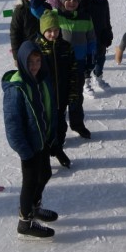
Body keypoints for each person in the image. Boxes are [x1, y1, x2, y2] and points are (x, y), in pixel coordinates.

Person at [2, 41, 58, 240]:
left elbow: (48, 108)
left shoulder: (41, 79)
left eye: (37, 61)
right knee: (30, 182)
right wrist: (24, 151)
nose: (34, 66)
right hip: (28, 147)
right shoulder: (16, 89)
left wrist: (53, 134)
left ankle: (34, 207)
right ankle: (24, 222)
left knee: (45, 174)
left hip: (42, 141)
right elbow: (12, 126)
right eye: (30, 62)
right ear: (22, 63)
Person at [30, 0, 95, 138]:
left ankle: (77, 124)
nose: (72, 2)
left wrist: (91, 57)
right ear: (63, 1)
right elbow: (36, 10)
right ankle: (58, 128)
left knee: (76, 96)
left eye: (75, 0)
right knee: (59, 97)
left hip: (78, 63)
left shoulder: (86, 17)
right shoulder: (55, 15)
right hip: (59, 61)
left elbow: (91, 39)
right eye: (68, 0)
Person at [34, 11, 77, 168]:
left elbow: (73, 71)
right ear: (43, 30)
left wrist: (73, 93)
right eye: (49, 31)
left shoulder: (66, 47)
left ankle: (58, 149)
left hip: (62, 96)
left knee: (60, 125)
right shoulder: (36, 50)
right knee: (45, 128)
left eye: (56, 30)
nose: (53, 34)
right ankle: (44, 156)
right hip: (44, 99)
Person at [79, 0, 113, 92]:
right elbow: (81, 14)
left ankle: (98, 77)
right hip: (90, 36)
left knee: (101, 58)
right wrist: (84, 0)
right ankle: (86, 82)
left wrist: (109, 31)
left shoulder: (104, 1)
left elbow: (107, 18)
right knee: (90, 59)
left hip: (102, 34)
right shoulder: (87, 2)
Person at [9, 0, 41, 65]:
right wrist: (16, 57)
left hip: (43, 49)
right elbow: (14, 33)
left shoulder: (44, 6)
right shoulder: (20, 10)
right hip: (27, 49)